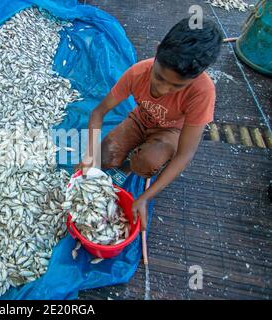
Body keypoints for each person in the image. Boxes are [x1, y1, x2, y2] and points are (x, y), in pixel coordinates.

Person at [77, 18, 223, 231]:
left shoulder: (203, 92)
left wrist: (145, 197)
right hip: (140, 119)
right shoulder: (138, 72)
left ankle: (137, 163)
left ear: (196, 77)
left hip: (171, 131)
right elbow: (98, 112)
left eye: (177, 86)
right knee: (104, 158)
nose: (163, 89)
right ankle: (130, 154)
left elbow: (185, 154)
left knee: (145, 162)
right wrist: (89, 155)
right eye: (160, 77)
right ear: (156, 52)